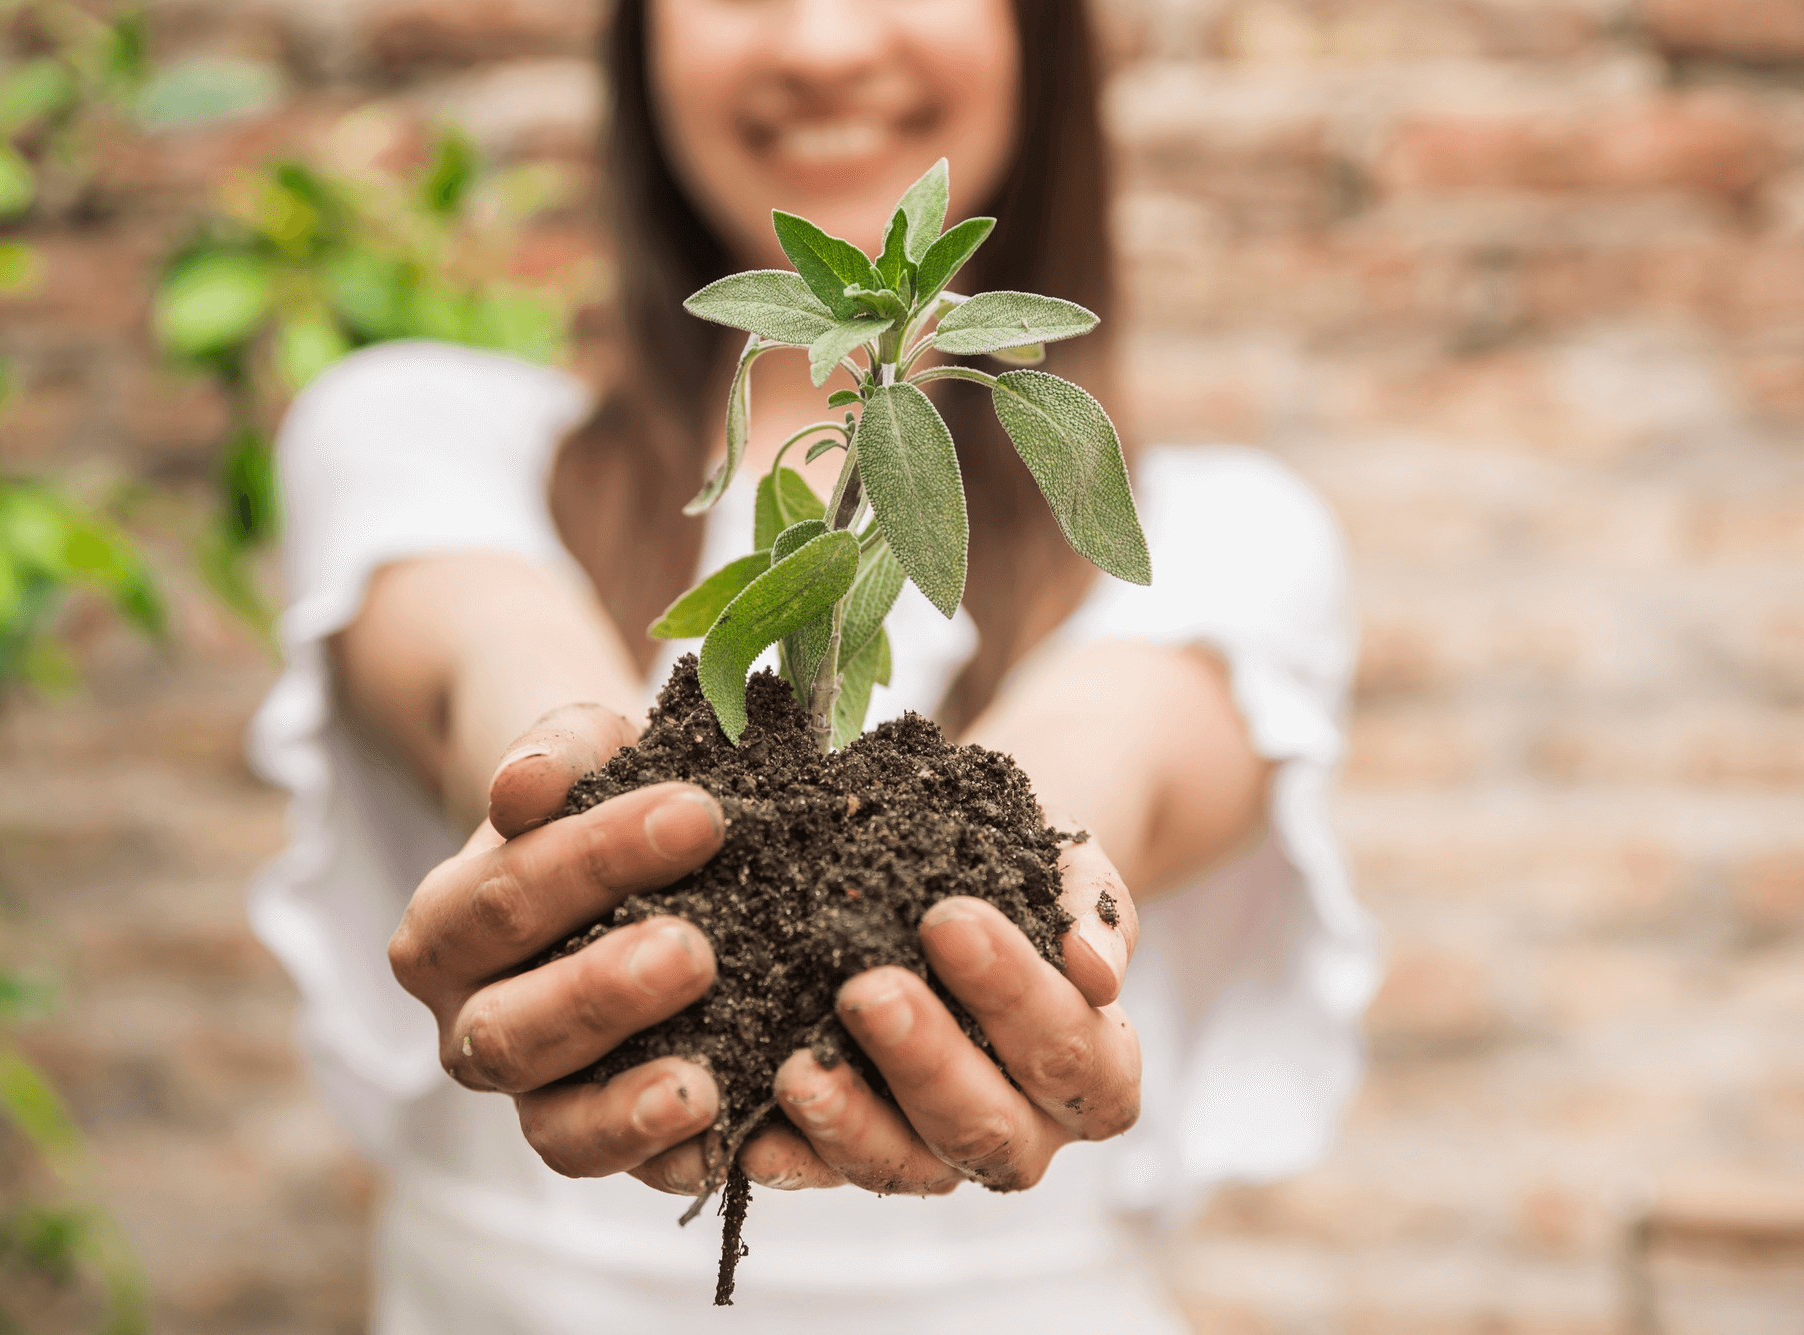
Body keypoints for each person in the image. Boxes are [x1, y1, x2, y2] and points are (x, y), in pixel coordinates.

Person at [247, 0, 1380, 1329]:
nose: (826, 40)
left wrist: (1020, 884)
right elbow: (485, 658)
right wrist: (574, 803)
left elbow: (1106, 751)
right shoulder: (424, 432)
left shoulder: (1226, 530)